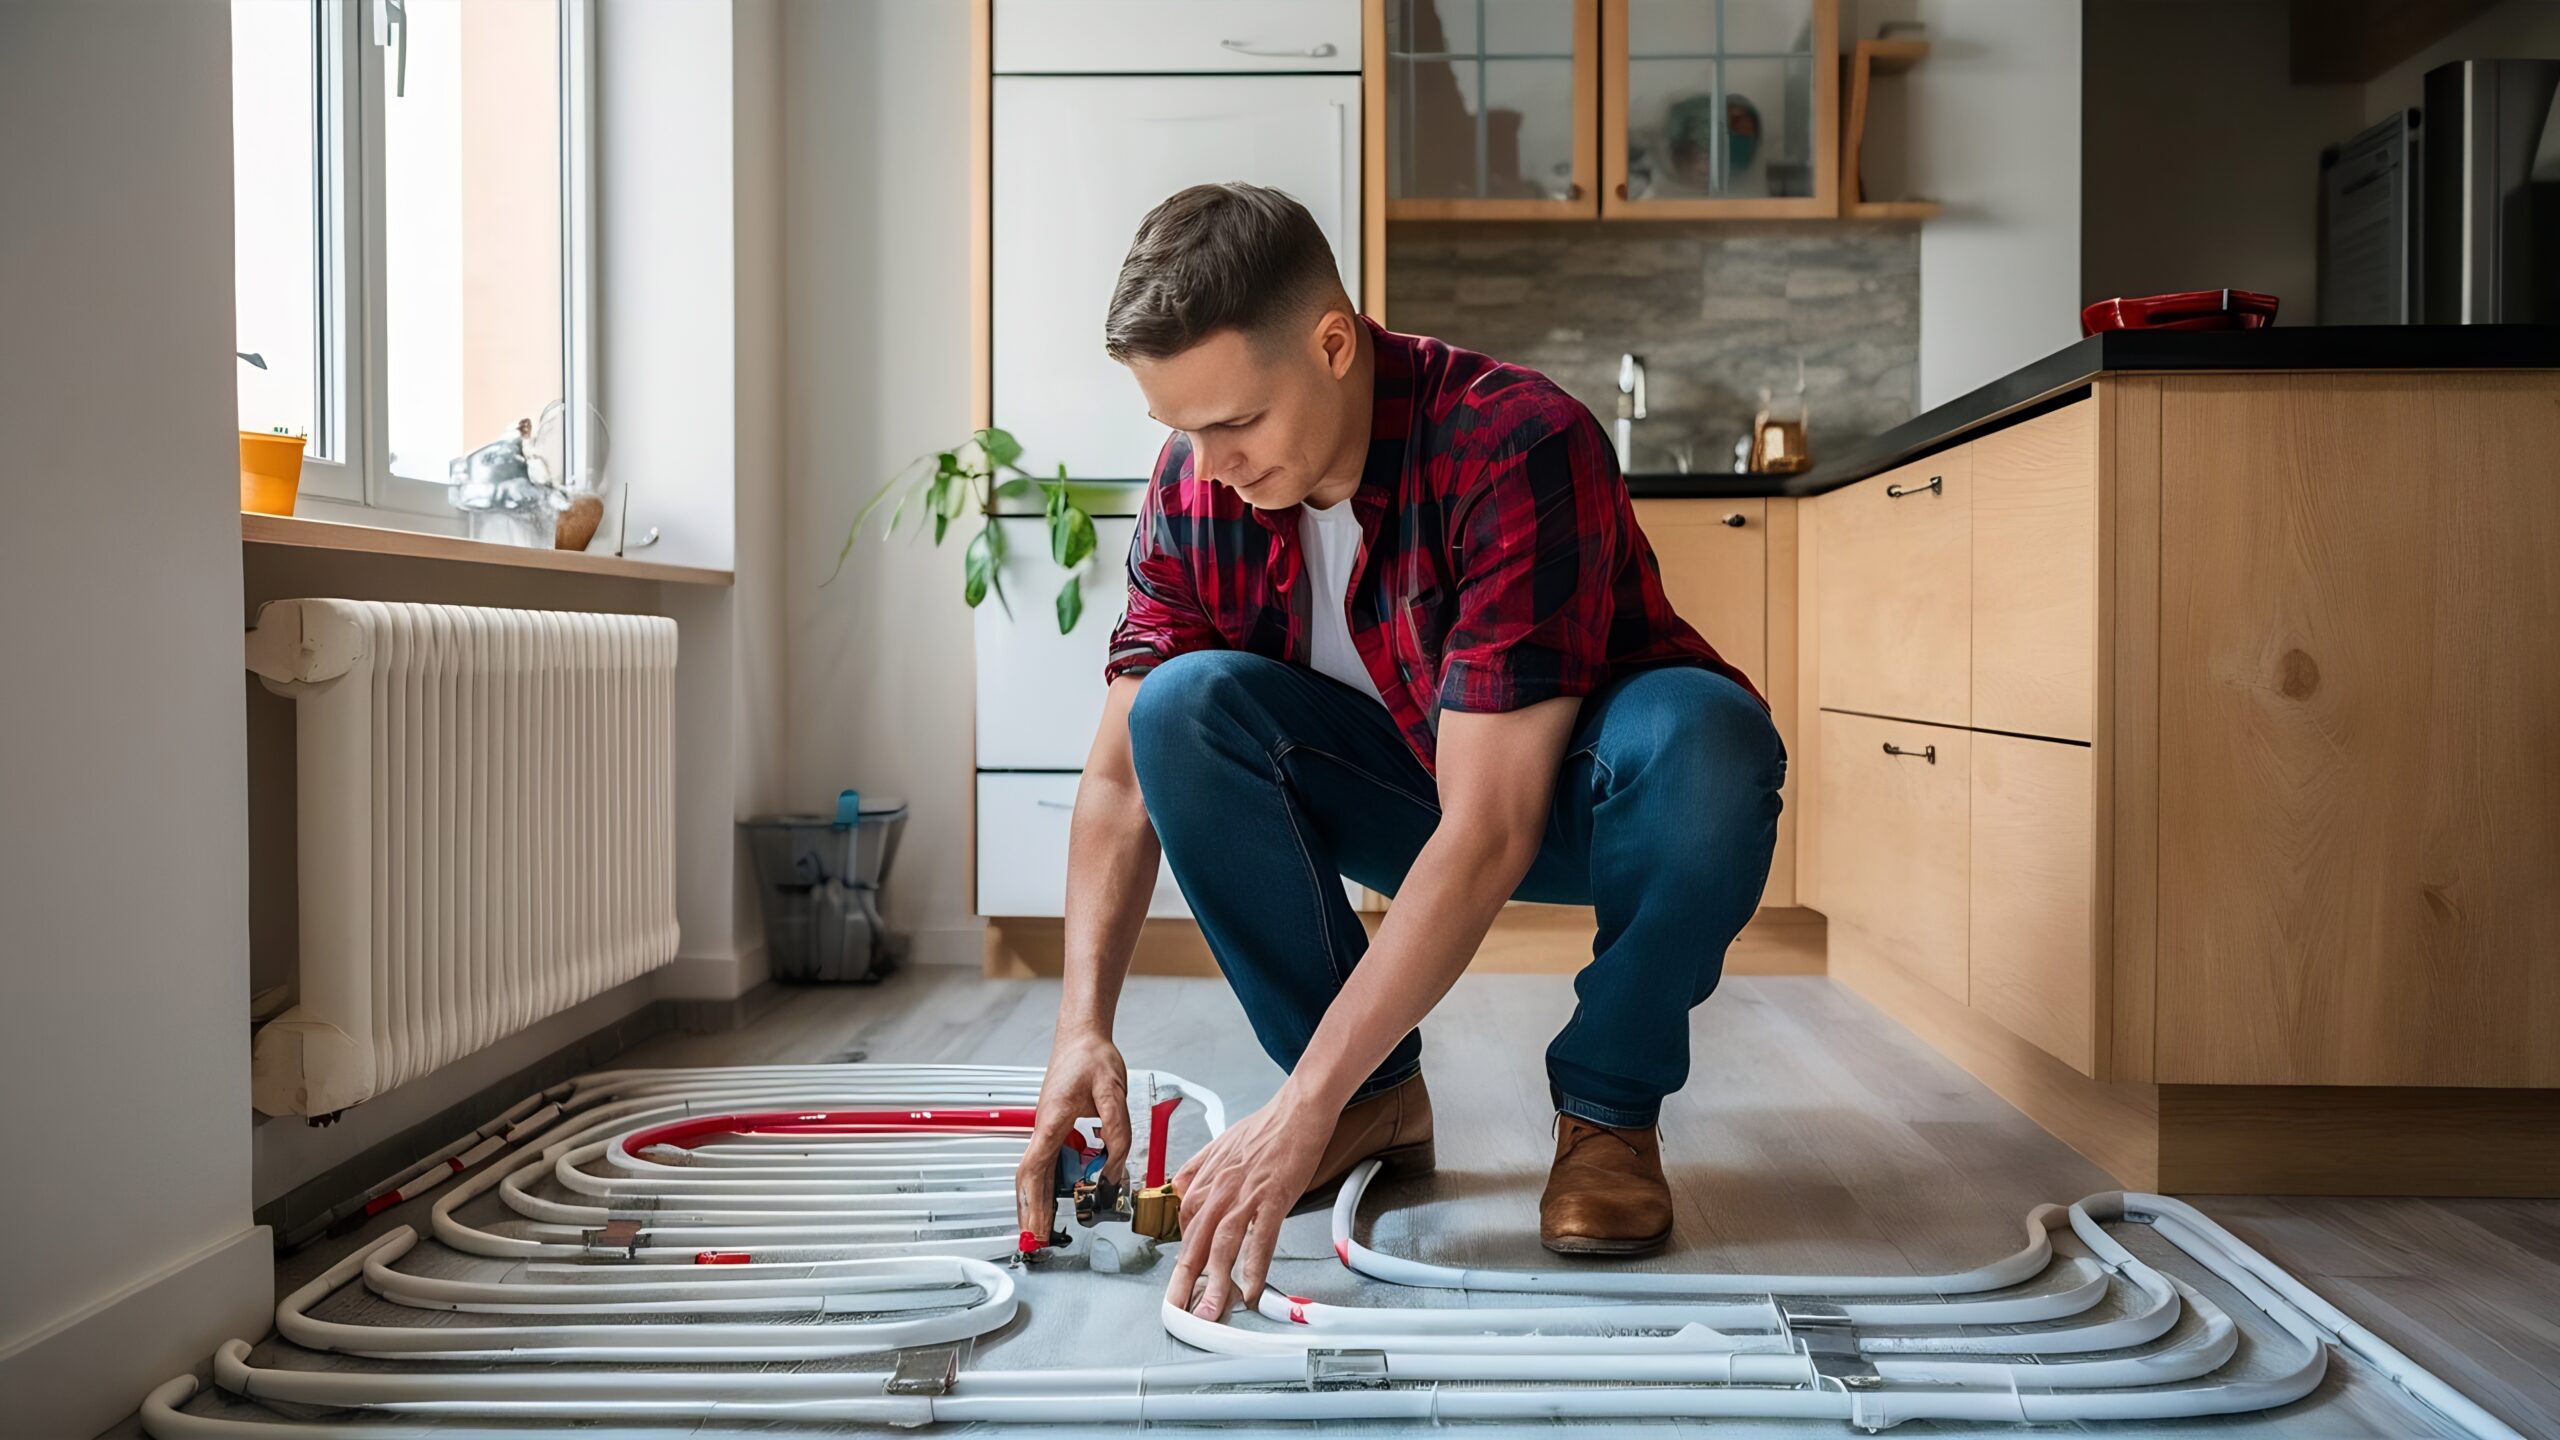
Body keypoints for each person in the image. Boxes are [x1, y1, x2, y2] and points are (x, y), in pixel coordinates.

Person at [1011, 182, 1784, 1324]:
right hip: (1399, 795)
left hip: (1578, 799)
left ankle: (1609, 1112)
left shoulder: (1515, 441)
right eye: (1183, 430)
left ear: (1334, 345)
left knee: (1710, 740)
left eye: (1236, 422)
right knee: (1174, 708)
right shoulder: (1196, 487)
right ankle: (1372, 1099)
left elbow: (1491, 826)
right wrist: (1081, 1027)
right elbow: (1123, 781)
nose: (1210, 464)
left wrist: (1295, 1109)